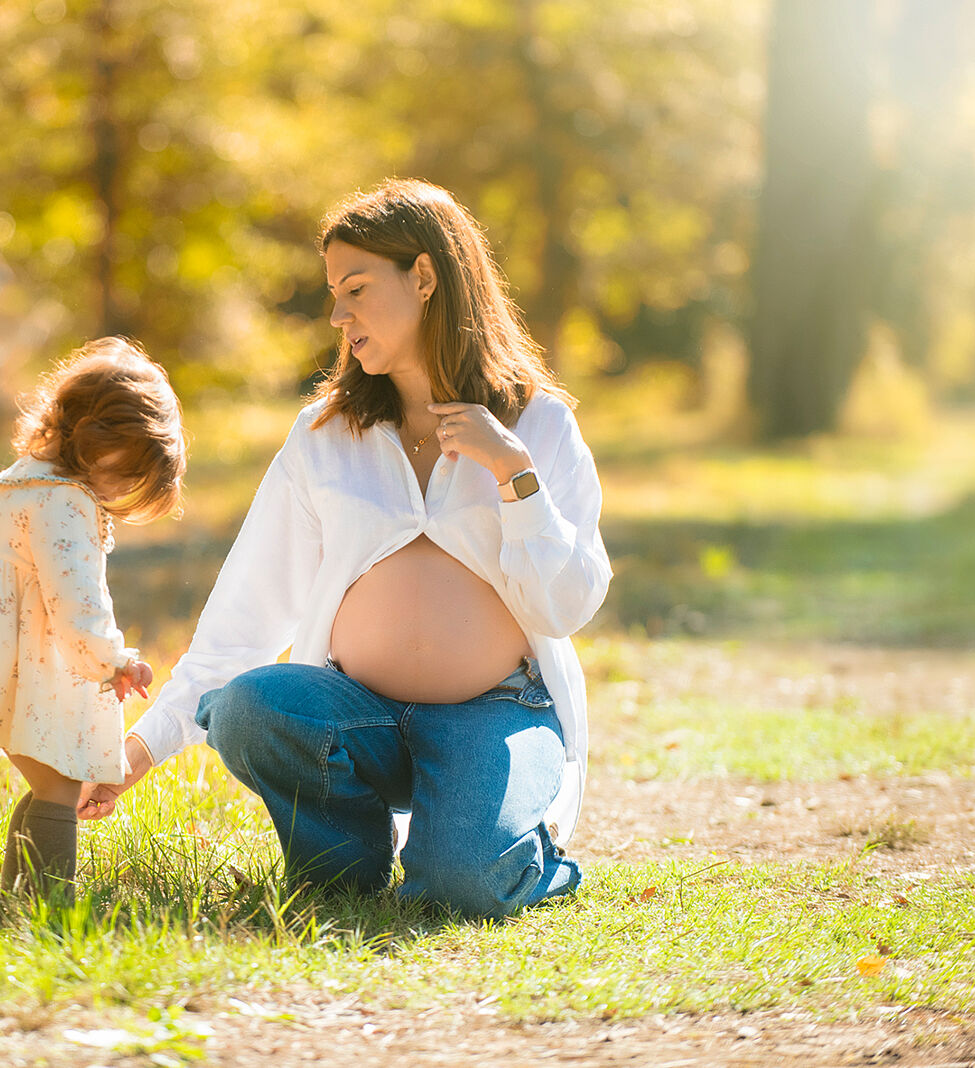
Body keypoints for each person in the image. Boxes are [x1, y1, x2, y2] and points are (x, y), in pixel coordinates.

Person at [80, 179, 611, 919]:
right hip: (354, 717)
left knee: (462, 889)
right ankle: (341, 868)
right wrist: (133, 754)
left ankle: (514, 849)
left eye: (356, 288)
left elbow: (569, 605)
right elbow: (245, 617)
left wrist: (513, 473)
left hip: (495, 713)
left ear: (423, 277)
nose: (338, 315)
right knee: (247, 707)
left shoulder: (541, 427)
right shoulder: (326, 436)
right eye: (335, 292)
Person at [0, 337, 186, 900]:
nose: (124, 489)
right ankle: (48, 912)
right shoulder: (63, 501)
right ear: (95, 440)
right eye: (127, 472)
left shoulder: (26, 480)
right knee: (59, 786)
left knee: (52, 784)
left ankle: (19, 903)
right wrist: (113, 660)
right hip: (14, 665)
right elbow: (76, 599)